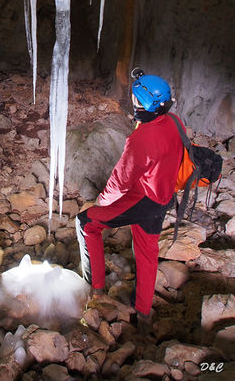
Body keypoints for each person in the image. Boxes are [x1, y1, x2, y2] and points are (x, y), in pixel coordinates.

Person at [75, 68, 185, 327]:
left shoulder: (142, 138)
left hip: (144, 199)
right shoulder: (175, 122)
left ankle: (96, 288)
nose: (132, 102)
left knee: (86, 223)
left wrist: (103, 200)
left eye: (135, 98)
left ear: (143, 105)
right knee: (147, 252)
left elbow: (121, 180)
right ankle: (143, 313)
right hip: (165, 197)